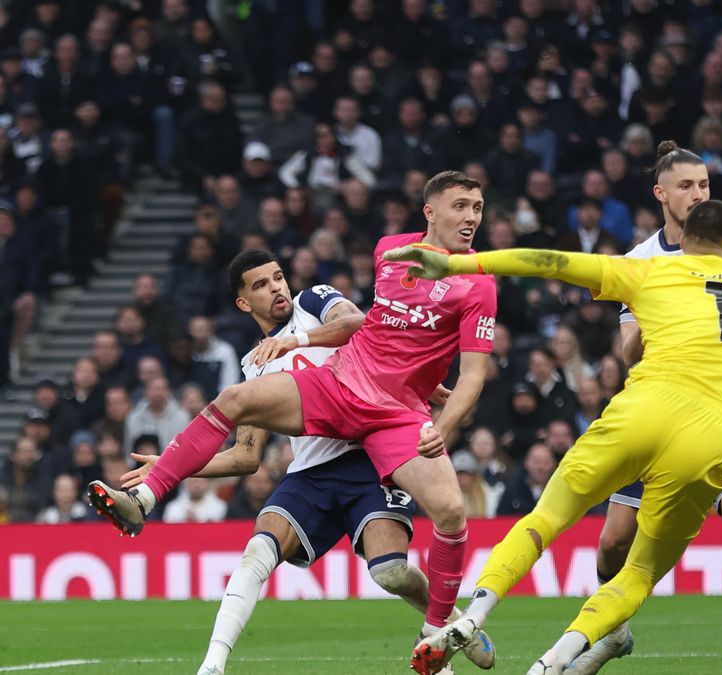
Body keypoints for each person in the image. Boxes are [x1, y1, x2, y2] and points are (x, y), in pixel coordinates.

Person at [396, 199, 722, 675]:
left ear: (683, 241)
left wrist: (457, 265)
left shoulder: (648, 269)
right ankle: (553, 662)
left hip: (638, 415)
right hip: (706, 441)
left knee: (546, 519)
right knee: (639, 573)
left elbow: (546, 261)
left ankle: (472, 617)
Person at [88, 171, 497, 647]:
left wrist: (300, 341)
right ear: (243, 302)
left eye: (477, 207)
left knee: (428, 533)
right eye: (263, 285)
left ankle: (442, 627)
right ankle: (145, 502)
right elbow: (245, 457)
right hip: (326, 430)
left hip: (376, 438)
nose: (277, 289)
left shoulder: (315, 300)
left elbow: (356, 323)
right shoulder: (387, 253)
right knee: (233, 405)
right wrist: (177, 464)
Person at [577, 141, 722, 675]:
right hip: (659, 399)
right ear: (660, 193)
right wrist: (653, 321)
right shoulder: (641, 260)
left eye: (705, 185)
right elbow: (626, 352)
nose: (698, 195)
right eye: (687, 186)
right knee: (613, 541)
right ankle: (614, 634)